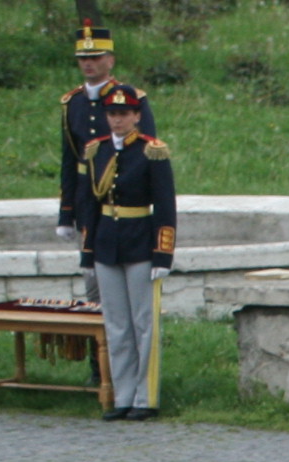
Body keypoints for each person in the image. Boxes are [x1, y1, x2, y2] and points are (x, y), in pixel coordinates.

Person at [70, 83, 170, 422]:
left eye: (124, 114)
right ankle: (123, 395)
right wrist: (88, 250)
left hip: (140, 243)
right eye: (112, 114)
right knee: (116, 325)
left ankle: (146, 397)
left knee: (144, 324)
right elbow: (87, 203)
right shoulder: (95, 150)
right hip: (106, 245)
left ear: (136, 116)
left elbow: (165, 207)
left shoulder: (151, 151)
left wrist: (163, 255)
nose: (117, 120)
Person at [57, 17, 134, 244]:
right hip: (85, 197)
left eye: (95, 57)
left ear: (110, 61)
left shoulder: (130, 99)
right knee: (89, 272)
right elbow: (70, 159)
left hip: (121, 197)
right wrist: (66, 213)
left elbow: (142, 151)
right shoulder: (73, 102)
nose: (88, 63)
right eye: (83, 58)